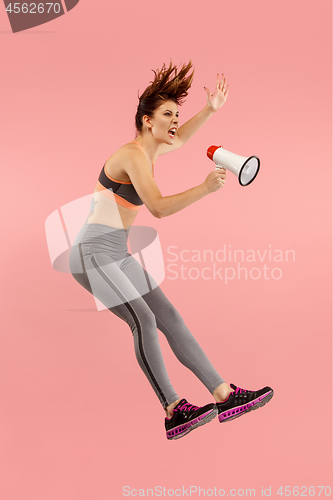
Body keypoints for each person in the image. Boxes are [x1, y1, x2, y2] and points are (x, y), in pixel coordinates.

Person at [68, 61, 273, 440]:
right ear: (148, 121)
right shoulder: (132, 155)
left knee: (169, 316)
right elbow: (159, 208)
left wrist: (210, 110)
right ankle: (173, 409)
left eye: (176, 114)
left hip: (117, 253)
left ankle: (223, 394)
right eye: (167, 114)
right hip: (92, 253)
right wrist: (204, 188)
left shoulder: (150, 152)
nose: (175, 121)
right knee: (142, 320)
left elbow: (179, 140)